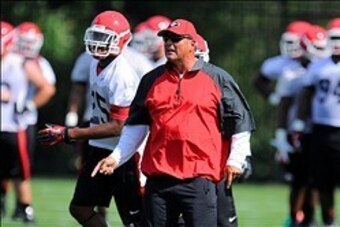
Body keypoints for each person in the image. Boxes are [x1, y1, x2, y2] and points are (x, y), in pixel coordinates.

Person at [92, 18, 255, 227]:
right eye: (167, 38)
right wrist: (116, 157)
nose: (169, 43)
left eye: (176, 39)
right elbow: (136, 126)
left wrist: (236, 159)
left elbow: (240, 122)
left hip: (199, 180)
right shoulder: (151, 80)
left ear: (192, 44)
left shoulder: (217, 78)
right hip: (159, 180)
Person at [38, 11, 143, 227]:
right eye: (95, 36)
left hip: (123, 153)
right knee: (80, 208)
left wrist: (70, 133)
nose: (97, 44)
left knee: (134, 219)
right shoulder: (97, 63)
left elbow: (118, 126)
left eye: (105, 38)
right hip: (99, 147)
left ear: (121, 39)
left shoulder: (121, 74)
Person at [273, 24, 329, 227]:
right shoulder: (292, 73)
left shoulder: (329, 69)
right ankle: (294, 218)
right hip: (297, 133)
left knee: (317, 180)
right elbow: (283, 105)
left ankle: (311, 218)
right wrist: (281, 136)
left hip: (321, 131)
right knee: (299, 180)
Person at [1, 21, 54, 224]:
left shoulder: (22, 62)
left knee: (20, 169)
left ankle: (25, 207)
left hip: (16, 125)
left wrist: (29, 105)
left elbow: (47, 88)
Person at [294, 17, 340, 226]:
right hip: (323, 130)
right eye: (334, 38)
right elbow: (306, 95)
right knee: (323, 183)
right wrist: (300, 123)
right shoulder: (318, 66)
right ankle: (328, 221)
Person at [253, 20, 312, 106]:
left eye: (296, 42)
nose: (291, 46)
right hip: (289, 110)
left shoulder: (319, 62)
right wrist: (273, 97)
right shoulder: (281, 62)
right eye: (289, 42)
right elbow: (259, 80)